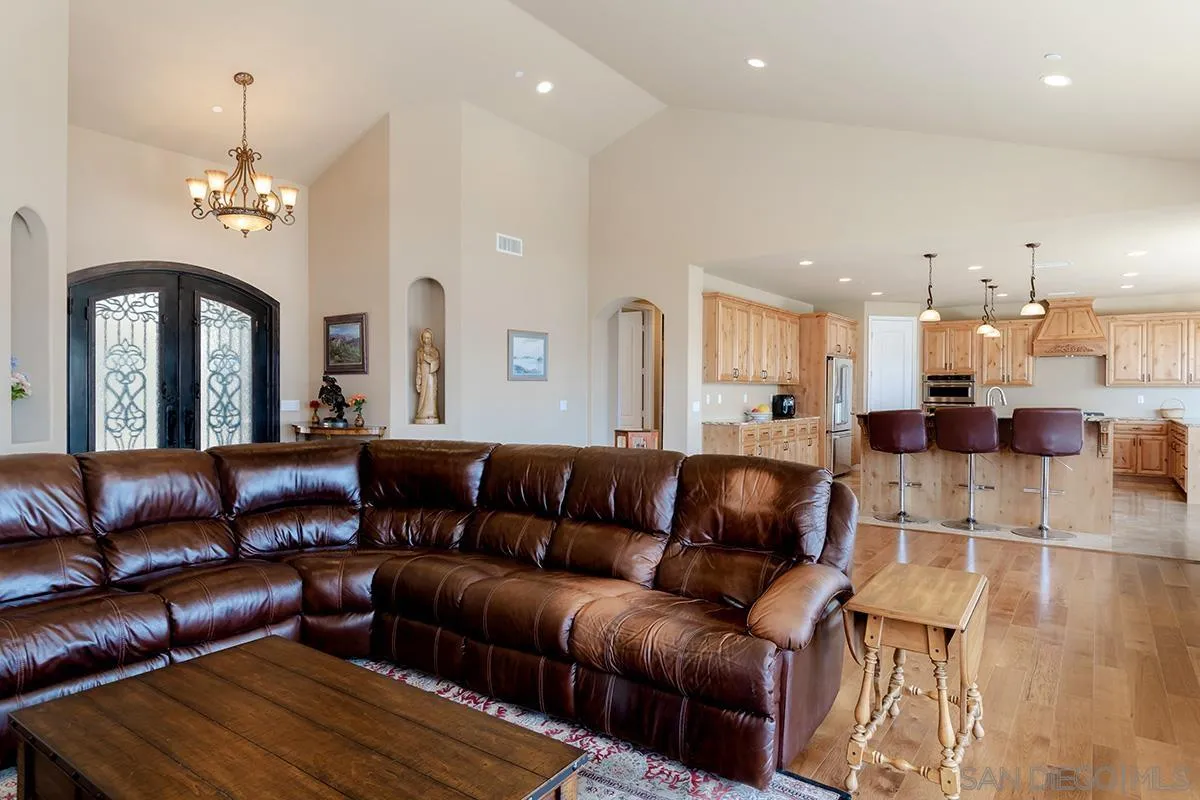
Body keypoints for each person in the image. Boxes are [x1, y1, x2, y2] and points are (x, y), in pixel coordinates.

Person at [414, 328, 440, 424]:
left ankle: (431, 412)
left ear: (431, 339)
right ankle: (422, 413)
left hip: (431, 375)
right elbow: (418, 365)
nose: (426, 340)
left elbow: (436, 362)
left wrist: (428, 359)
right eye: (424, 338)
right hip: (423, 373)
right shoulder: (419, 351)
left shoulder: (434, 350)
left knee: (430, 393)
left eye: (428, 338)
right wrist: (418, 379)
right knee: (423, 393)